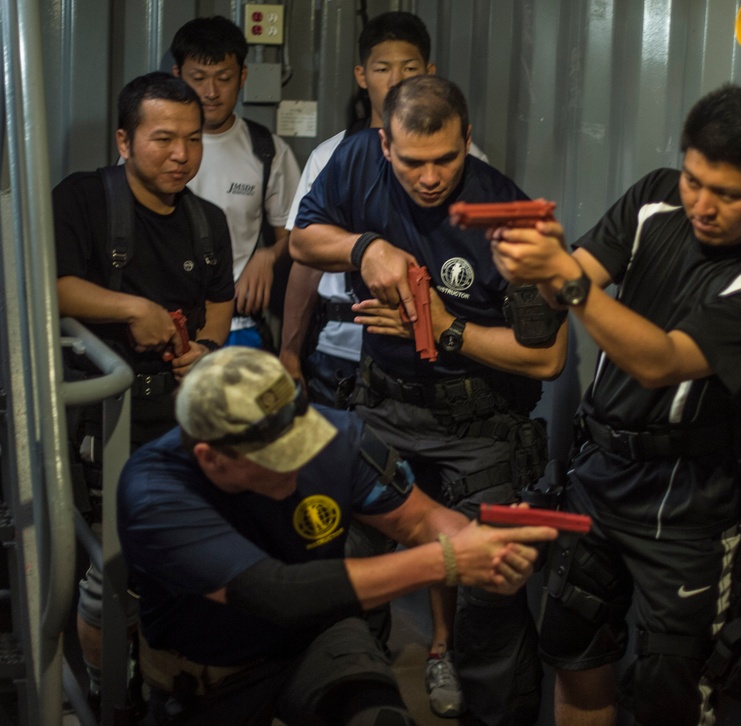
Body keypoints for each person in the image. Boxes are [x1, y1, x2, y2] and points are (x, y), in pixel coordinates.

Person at [490, 83, 741, 726]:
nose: (703, 204)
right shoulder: (654, 197)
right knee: (575, 658)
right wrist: (529, 265)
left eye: (728, 194)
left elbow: (661, 360)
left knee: (673, 694)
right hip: (600, 471)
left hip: (687, 504)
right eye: (696, 180)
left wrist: (568, 280)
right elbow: (563, 288)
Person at [291, 75, 568, 725]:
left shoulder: (514, 220)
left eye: (447, 158)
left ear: (468, 140)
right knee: (345, 574)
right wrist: (366, 247)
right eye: (413, 162)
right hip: (384, 406)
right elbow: (304, 243)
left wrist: (445, 327)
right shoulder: (356, 160)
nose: (431, 177)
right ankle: (355, 706)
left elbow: (548, 358)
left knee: (488, 602)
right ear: (385, 144)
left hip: (482, 427)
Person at [118, 346, 557, 725]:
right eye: (278, 456)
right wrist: (447, 560)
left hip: (316, 637)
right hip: (209, 669)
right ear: (211, 458)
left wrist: (486, 545)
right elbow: (275, 592)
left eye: (299, 440)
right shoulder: (156, 492)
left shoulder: (338, 436)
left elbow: (420, 522)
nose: (299, 462)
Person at [53, 71, 235, 711]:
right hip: (99, 421)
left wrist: (207, 350)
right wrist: (132, 307)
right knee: (110, 570)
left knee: (175, 567)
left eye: (193, 139)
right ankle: (107, 695)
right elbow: (51, 285)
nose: (181, 155)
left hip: (179, 422)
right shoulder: (82, 200)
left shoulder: (209, 223)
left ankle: (159, 689)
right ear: (125, 141)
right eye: (163, 139)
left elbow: (220, 303)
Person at [280, 10, 488, 407]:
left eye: (408, 67)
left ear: (429, 72)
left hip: (430, 353)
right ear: (362, 75)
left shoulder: (468, 160)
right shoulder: (332, 156)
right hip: (340, 346)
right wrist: (289, 352)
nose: (396, 80)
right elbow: (304, 258)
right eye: (382, 68)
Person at [171, 15, 301, 349]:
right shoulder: (152, 149)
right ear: (177, 77)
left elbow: (297, 235)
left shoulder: (267, 150)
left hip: (237, 328)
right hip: (164, 326)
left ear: (242, 77)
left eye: (223, 78)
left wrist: (269, 255)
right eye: (197, 78)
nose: (210, 92)